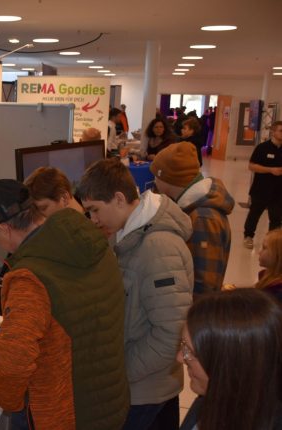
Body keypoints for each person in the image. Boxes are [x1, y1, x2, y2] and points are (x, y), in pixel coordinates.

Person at [0, 179, 129, 430]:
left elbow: (12, 365)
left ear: (3, 228)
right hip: (108, 399)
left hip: (66, 413)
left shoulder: (30, 278)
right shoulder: (90, 237)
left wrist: (10, 403)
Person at [77, 158, 193, 430]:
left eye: (95, 210)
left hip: (145, 390)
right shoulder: (131, 235)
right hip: (146, 384)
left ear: (119, 198)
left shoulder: (157, 249)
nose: (93, 220)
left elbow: (171, 335)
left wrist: (119, 372)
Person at [178, 288, 282, 430]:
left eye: (190, 351)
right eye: (183, 345)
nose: (180, 358)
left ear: (235, 364)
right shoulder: (211, 398)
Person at [150, 141, 235, 295]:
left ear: (167, 178)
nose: (154, 180)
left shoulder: (203, 218)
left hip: (195, 306)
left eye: (155, 175)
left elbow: (204, 283)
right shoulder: (193, 207)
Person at [243, 120, 282, 249]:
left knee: (276, 218)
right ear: (273, 132)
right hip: (261, 189)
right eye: (281, 131)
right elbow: (251, 166)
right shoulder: (262, 148)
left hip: (278, 192)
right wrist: (270, 170)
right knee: (254, 214)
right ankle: (248, 236)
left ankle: (272, 242)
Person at [257, 228, 282, 300]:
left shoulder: (277, 292)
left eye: (264, 248)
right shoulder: (265, 275)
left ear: (278, 255)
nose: (259, 252)